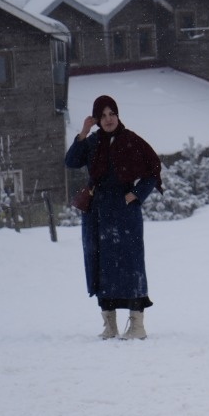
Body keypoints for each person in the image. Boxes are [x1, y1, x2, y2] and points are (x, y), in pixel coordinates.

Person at [64, 94, 162, 340]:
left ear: (118, 115)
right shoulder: (92, 142)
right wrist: (84, 131)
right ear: (97, 119)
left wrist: (137, 195)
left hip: (124, 212)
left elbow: (153, 169)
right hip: (97, 212)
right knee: (101, 265)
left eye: (112, 114)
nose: (108, 119)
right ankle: (110, 326)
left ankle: (137, 325)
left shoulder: (131, 141)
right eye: (103, 116)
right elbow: (71, 161)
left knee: (131, 265)